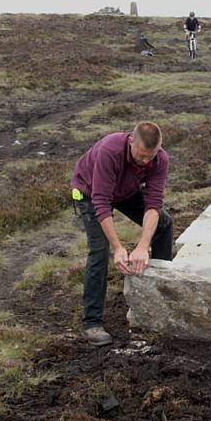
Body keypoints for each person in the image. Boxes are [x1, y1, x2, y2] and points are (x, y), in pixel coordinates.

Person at [71, 122, 174, 346]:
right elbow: (101, 201)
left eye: (151, 156)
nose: (146, 161)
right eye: (141, 155)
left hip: (125, 189)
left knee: (164, 225)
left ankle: (158, 293)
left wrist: (142, 246)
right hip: (90, 192)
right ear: (131, 143)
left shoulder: (160, 159)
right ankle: (92, 323)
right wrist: (119, 247)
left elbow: (153, 205)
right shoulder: (110, 151)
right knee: (100, 250)